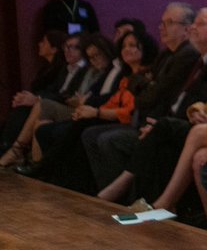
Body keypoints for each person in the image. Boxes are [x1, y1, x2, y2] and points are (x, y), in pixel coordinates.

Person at [98, 25, 207, 212]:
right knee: (170, 142)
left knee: (168, 127)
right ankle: (197, 217)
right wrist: (197, 111)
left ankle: (157, 198)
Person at [28, 29, 158, 192]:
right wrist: (89, 110)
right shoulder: (126, 77)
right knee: (55, 129)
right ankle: (66, 180)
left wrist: (96, 112)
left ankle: (58, 175)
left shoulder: (147, 75)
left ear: (144, 48)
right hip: (117, 118)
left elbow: (130, 111)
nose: (126, 49)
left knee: (91, 131)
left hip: (136, 123)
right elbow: (111, 102)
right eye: (124, 46)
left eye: (132, 45)